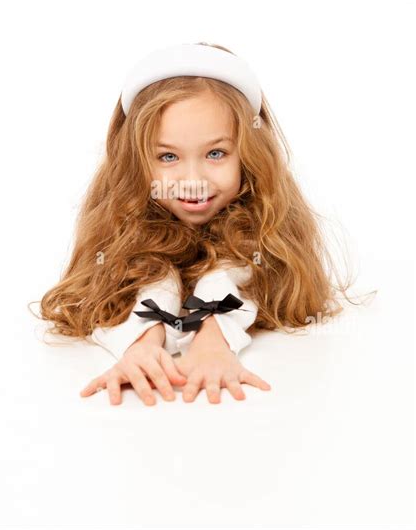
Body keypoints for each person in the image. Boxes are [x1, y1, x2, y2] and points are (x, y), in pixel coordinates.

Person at [36, 42, 353, 406]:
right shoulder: (127, 219)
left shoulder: (262, 224)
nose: (192, 178)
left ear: (248, 155)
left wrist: (212, 342)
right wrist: (140, 345)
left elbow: (240, 273)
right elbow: (134, 277)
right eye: (168, 156)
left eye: (215, 153)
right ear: (136, 161)